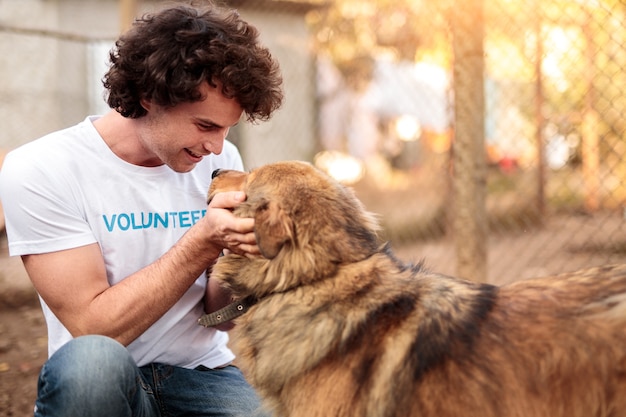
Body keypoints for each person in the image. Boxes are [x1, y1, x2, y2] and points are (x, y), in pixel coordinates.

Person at [0, 3, 283, 416]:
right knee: (89, 366)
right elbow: (92, 328)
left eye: (227, 129)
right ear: (149, 96)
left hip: (202, 374)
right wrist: (203, 242)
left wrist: (246, 258)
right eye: (205, 126)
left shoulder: (220, 161)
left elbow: (220, 317)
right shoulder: (43, 168)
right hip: (105, 379)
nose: (217, 147)